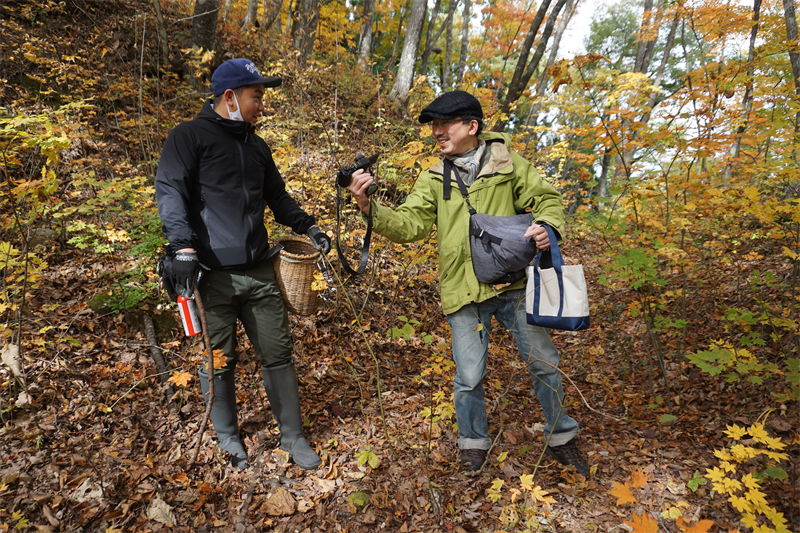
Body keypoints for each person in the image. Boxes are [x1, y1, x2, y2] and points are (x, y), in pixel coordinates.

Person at [347, 90, 589, 476]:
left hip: (511, 286)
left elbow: (547, 199)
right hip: (463, 291)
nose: (437, 132)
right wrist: (367, 207)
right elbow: (409, 225)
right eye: (433, 126)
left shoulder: (509, 164)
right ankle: (473, 442)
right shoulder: (433, 178)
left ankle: (562, 436)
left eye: (445, 124)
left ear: (471, 126)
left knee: (544, 363)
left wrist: (547, 226)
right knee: (470, 375)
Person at [155, 58, 331, 470]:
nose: (262, 106)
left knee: (278, 352)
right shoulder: (188, 137)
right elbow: (170, 192)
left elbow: (277, 197)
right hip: (210, 277)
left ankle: (292, 435)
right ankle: (228, 437)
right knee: (219, 359)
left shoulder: (256, 146)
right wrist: (182, 248)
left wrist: (310, 225)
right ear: (230, 97)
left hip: (258, 271)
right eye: (257, 97)